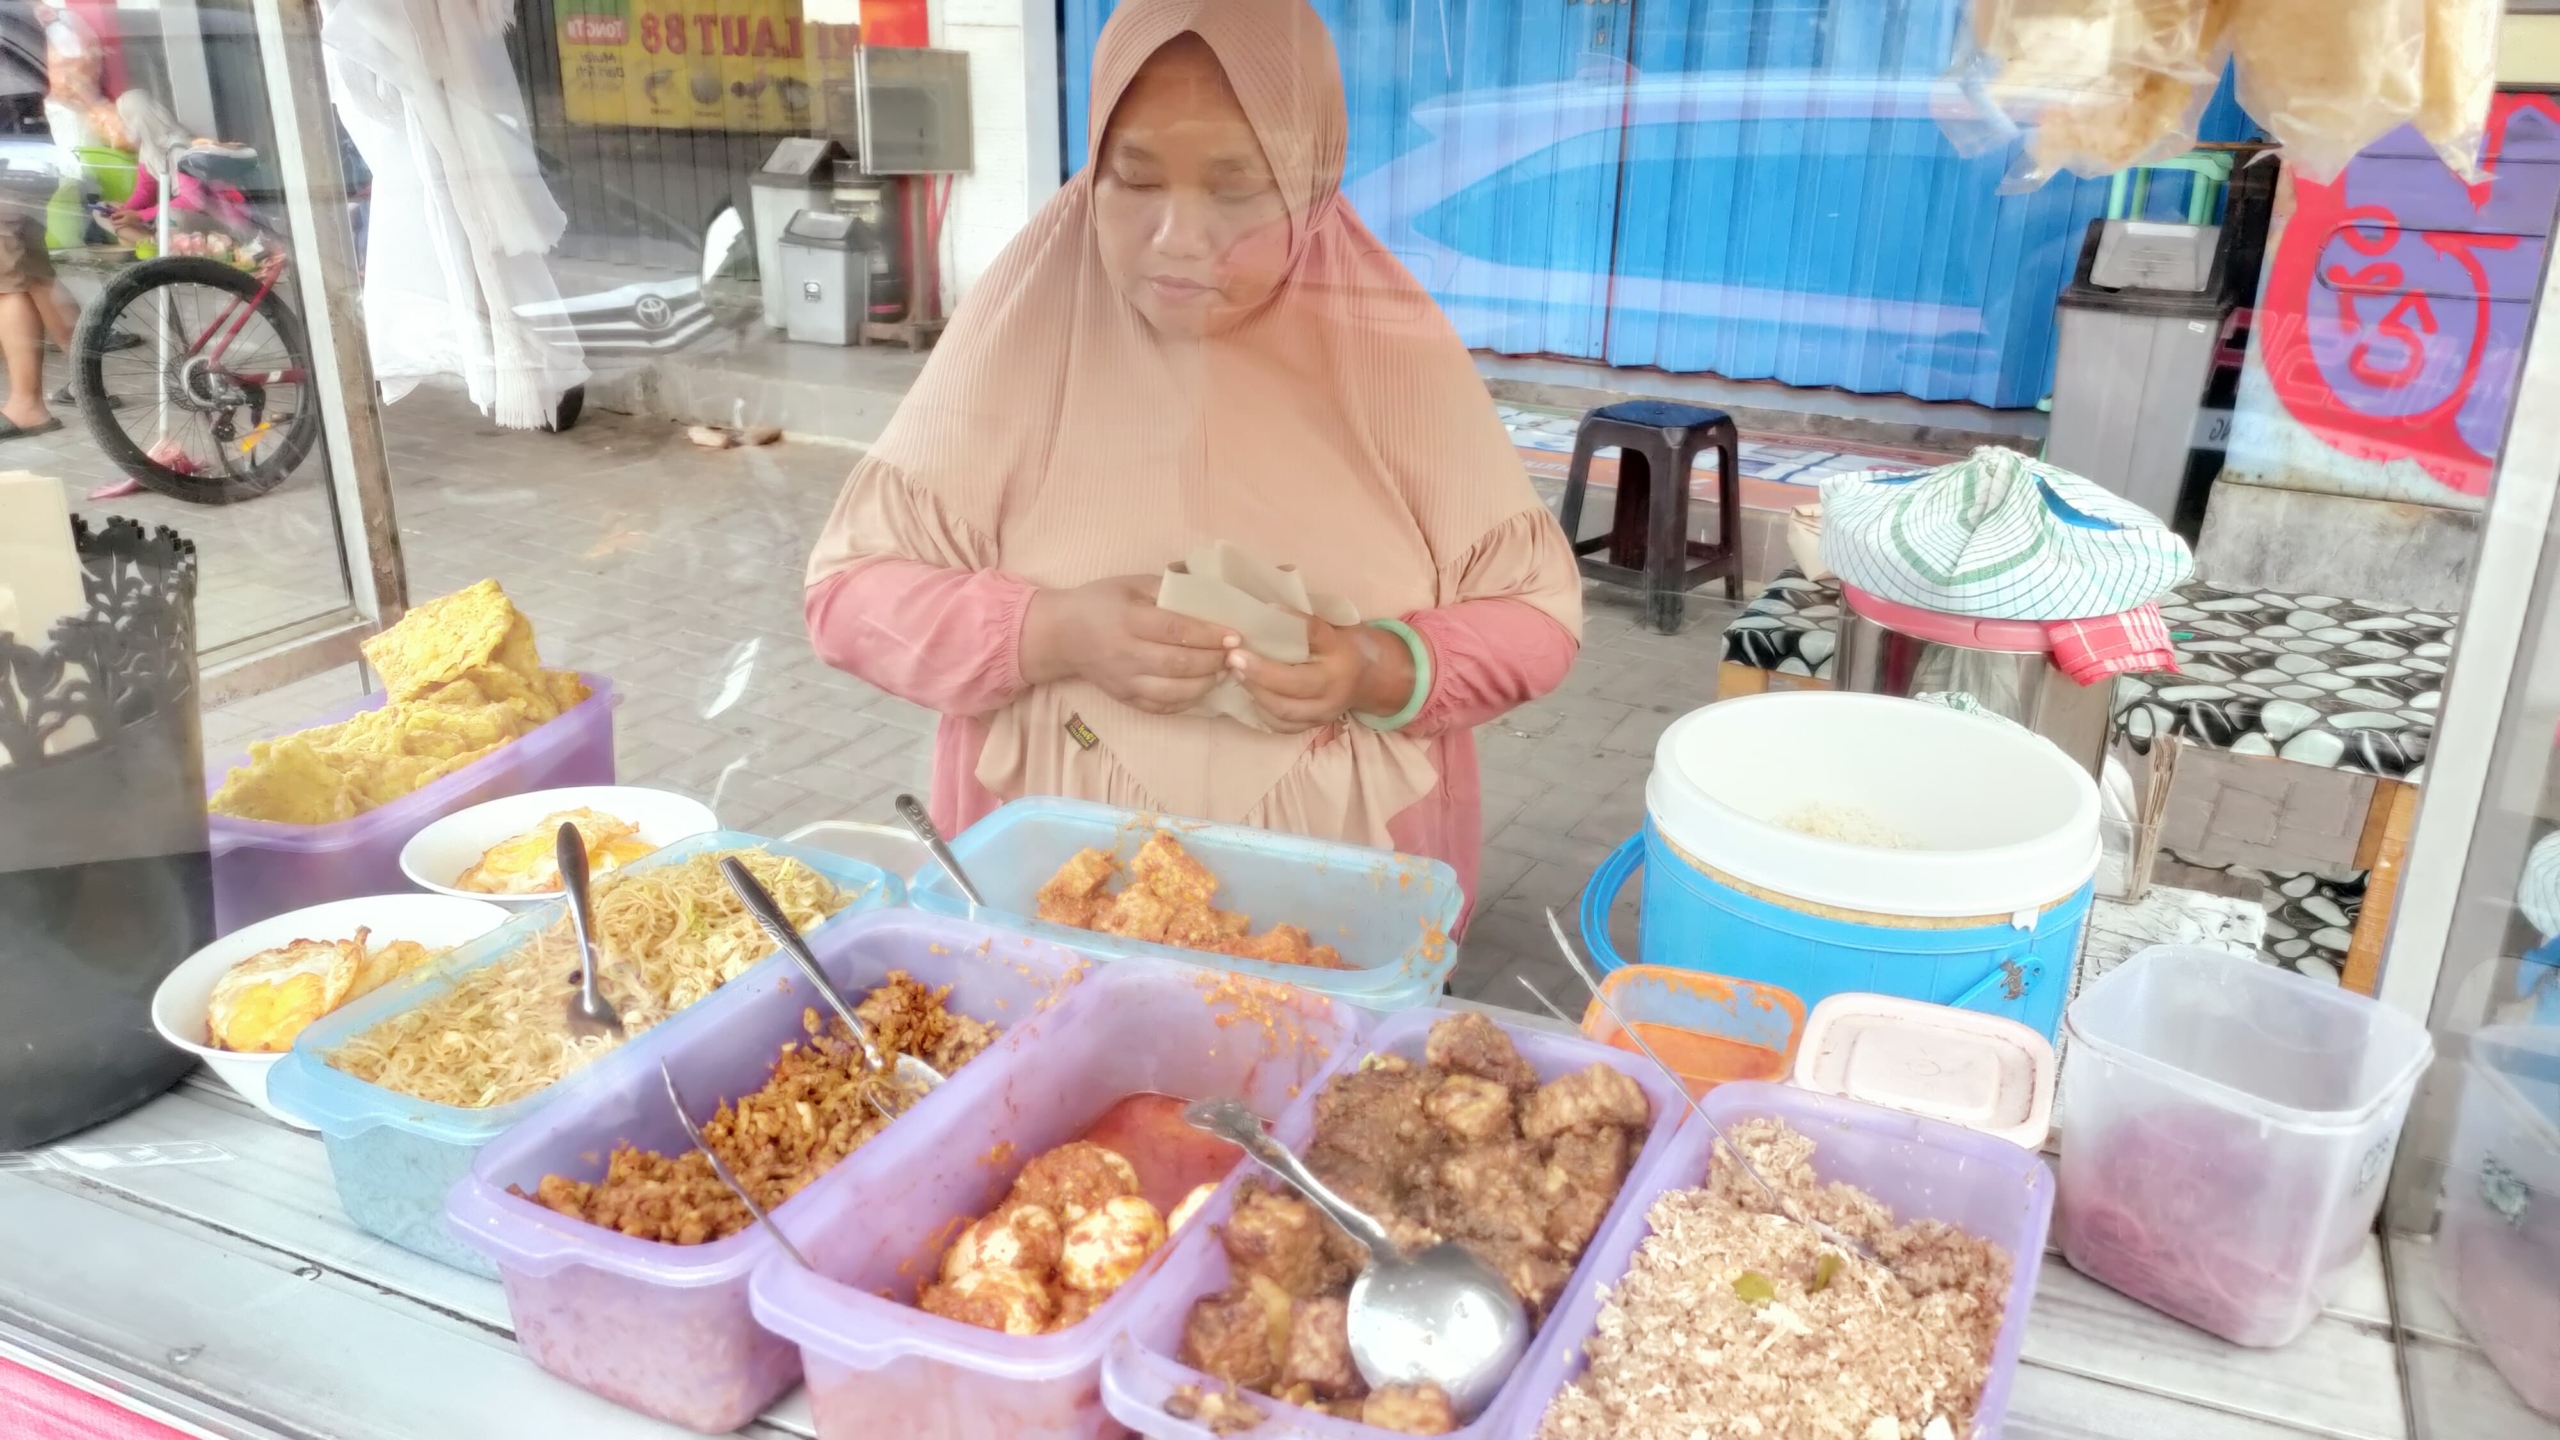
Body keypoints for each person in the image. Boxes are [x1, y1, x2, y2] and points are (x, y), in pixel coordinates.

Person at [803, 0, 1580, 923]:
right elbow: (847, 597)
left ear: (1310, 184)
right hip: (1052, 908)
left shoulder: (1391, 356)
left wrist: (1377, 666)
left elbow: (1537, 616)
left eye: (1237, 187)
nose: (1178, 235)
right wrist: (1049, 631)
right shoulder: (1023, 335)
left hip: (1331, 922)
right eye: (1134, 178)